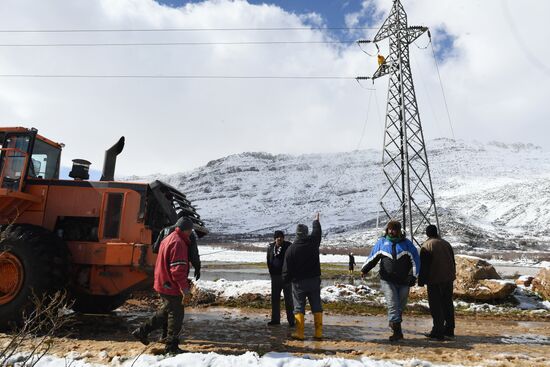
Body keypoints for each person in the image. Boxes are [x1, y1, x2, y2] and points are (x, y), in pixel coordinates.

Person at [132, 217, 194, 354]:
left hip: (162, 281)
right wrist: (184, 289)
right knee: (176, 314)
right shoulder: (179, 243)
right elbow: (177, 270)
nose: (191, 233)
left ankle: (141, 332)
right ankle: (171, 347)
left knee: (166, 311)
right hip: (170, 285)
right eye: (190, 230)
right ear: (187, 230)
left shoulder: (169, 238)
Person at [361, 220, 420, 341]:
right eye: (389, 229)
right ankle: (397, 332)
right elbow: (373, 257)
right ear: (387, 230)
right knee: (393, 303)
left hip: (404, 281)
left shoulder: (407, 244)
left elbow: (416, 260)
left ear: (399, 231)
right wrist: (365, 269)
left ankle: (394, 322)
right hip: (387, 279)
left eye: (394, 229)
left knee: (400, 306)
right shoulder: (382, 242)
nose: (391, 232)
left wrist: (412, 276)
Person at [282, 213, 323, 340]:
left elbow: (287, 270)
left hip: (298, 283)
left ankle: (300, 334)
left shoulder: (291, 249)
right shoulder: (313, 242)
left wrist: (286, 281)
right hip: (314, 281)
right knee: (316, 305)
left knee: (299, 307)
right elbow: (317, 233)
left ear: (296, 234)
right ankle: (318, 333)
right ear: (306, 233)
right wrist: (316, 221)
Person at [418, 224, 456, 340]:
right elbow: (453, 261)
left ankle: (437, 331)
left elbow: (424, 265)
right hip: (448, 278)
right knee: (447, 304)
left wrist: (421, 280)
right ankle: (449, 329)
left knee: (436, 305)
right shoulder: (446, 243)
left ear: (427, 234)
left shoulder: (427, 245)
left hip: (434, 279)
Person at [267, 230, 294, 326]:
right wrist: (271, 273)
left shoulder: (288, 246)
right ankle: (275, 320)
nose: (279, 238)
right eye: (277, 237)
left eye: (281, 236)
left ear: (283, 238)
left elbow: (292, 260)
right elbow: (268, 260)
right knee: (275, 299)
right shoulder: (271, 247)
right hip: (275, 277)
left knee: (289, 299)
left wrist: (290, 274)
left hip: (286, 277)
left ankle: (291, 320)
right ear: (274, 239)